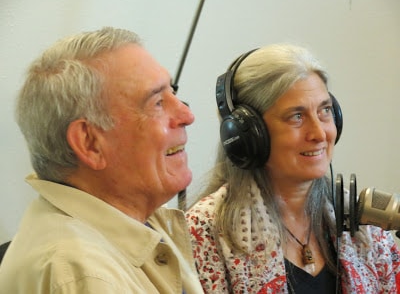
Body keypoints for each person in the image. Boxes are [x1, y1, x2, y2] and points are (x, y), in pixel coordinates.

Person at [0, 27, 204, 293]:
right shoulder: (86, 278)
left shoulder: (137, 223)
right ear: (90, 143)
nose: (187, 115)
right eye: (156, 102)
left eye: (173, 92)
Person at [185, 44, 400, 293]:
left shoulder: (367, 228)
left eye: (325, 111)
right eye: (296, 116)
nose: (319, 133)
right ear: (250, 133)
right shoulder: (204, 233)